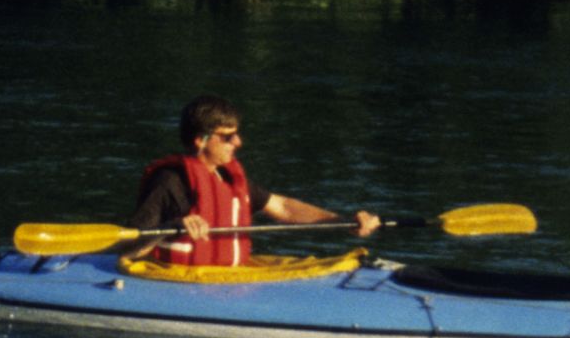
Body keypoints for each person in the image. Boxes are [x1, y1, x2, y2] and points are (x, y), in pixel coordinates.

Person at [122, 96, 379, 265]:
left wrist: (341, 222)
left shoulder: (227, 177)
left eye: (237, 134)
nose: (238, 142)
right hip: (180, 286)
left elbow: (284, 207)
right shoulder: (169, 181)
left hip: (227, 285)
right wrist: (175, 225)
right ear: (200, 140)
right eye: (227, 137)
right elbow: (130, 247)